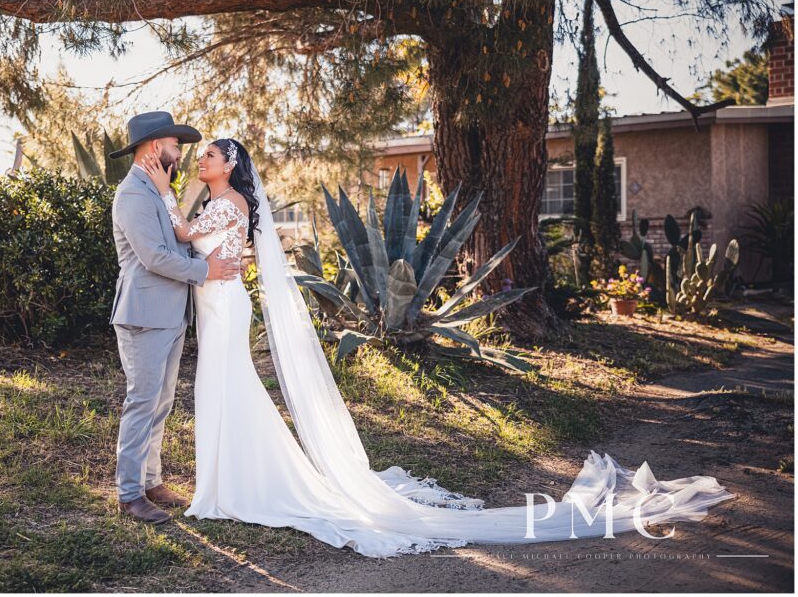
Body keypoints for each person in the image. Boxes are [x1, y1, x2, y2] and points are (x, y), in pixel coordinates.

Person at [140, 138, 735, 558]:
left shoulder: (224, 200)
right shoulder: (224, 200)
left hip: (222, 305)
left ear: (228, 166)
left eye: (211, 155)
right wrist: (184, 207)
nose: (201, 160)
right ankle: (226, 481)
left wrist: (163, 188)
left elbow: (187, 235)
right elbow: (204, 245)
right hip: (216, 303)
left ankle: (237, 484)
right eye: (202, 157)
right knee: (221, 386)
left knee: (228, 386)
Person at [109, 111, 240, 525]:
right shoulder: (133, 195)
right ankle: (129, 494)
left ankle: (151, 481)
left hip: (171, 315)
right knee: (142, 402)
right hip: (144, 315)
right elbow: (153, 257)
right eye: (175, 145)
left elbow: (180, 243)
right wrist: (206, 271)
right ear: (154, 148)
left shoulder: (157, 189)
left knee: (161, 403)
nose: (181, 154)